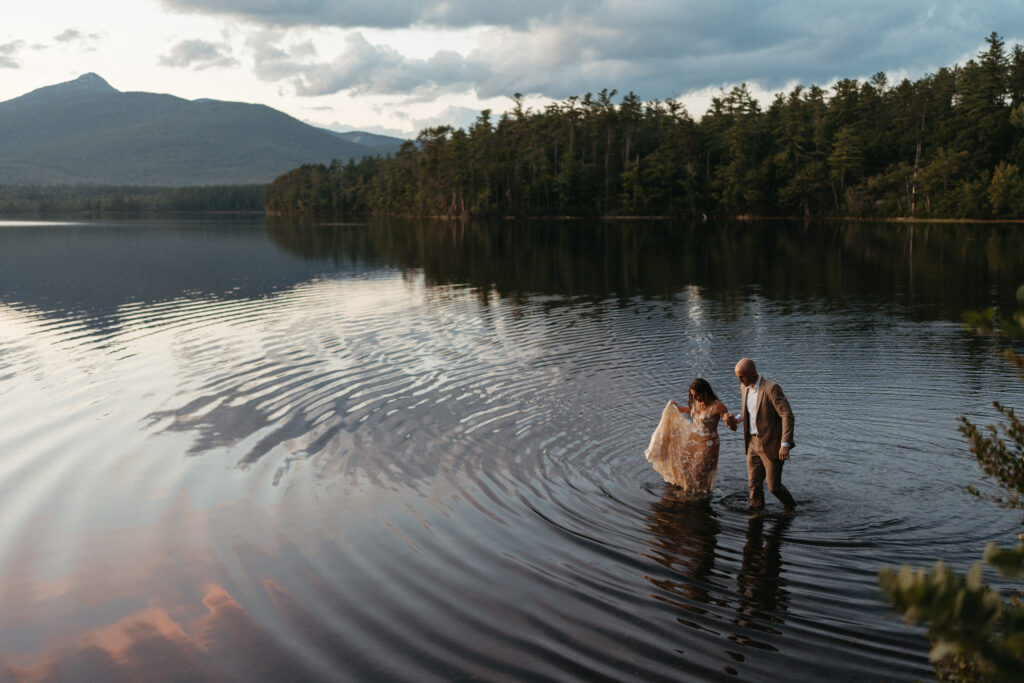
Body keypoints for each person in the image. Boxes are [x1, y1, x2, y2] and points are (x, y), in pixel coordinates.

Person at [724, 358, 797, 510]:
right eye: (737, 376)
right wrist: (736, 419)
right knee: (754, 484)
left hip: (772, 444)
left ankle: (792, 508)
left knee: (773, 487)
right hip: (752, 443)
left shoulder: (771, 388)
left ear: (752, 373)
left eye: (741, 376)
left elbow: (787, 415)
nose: (739, 380)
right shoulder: (744, 387)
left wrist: (785, 445)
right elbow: (749, 413)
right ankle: (755, 514)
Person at [645, 378, 735, 492]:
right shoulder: (696, 402)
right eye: (693, 395)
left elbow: (732, 426)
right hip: (693, 440)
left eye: (697, 395)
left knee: (700, 472)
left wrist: (729, 420)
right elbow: (692, 410)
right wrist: (678, 409)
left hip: (708, 444)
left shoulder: (718, 406)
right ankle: (689, 492)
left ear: (705, 392)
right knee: (685, 467)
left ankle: (699, 497)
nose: (694, 398)